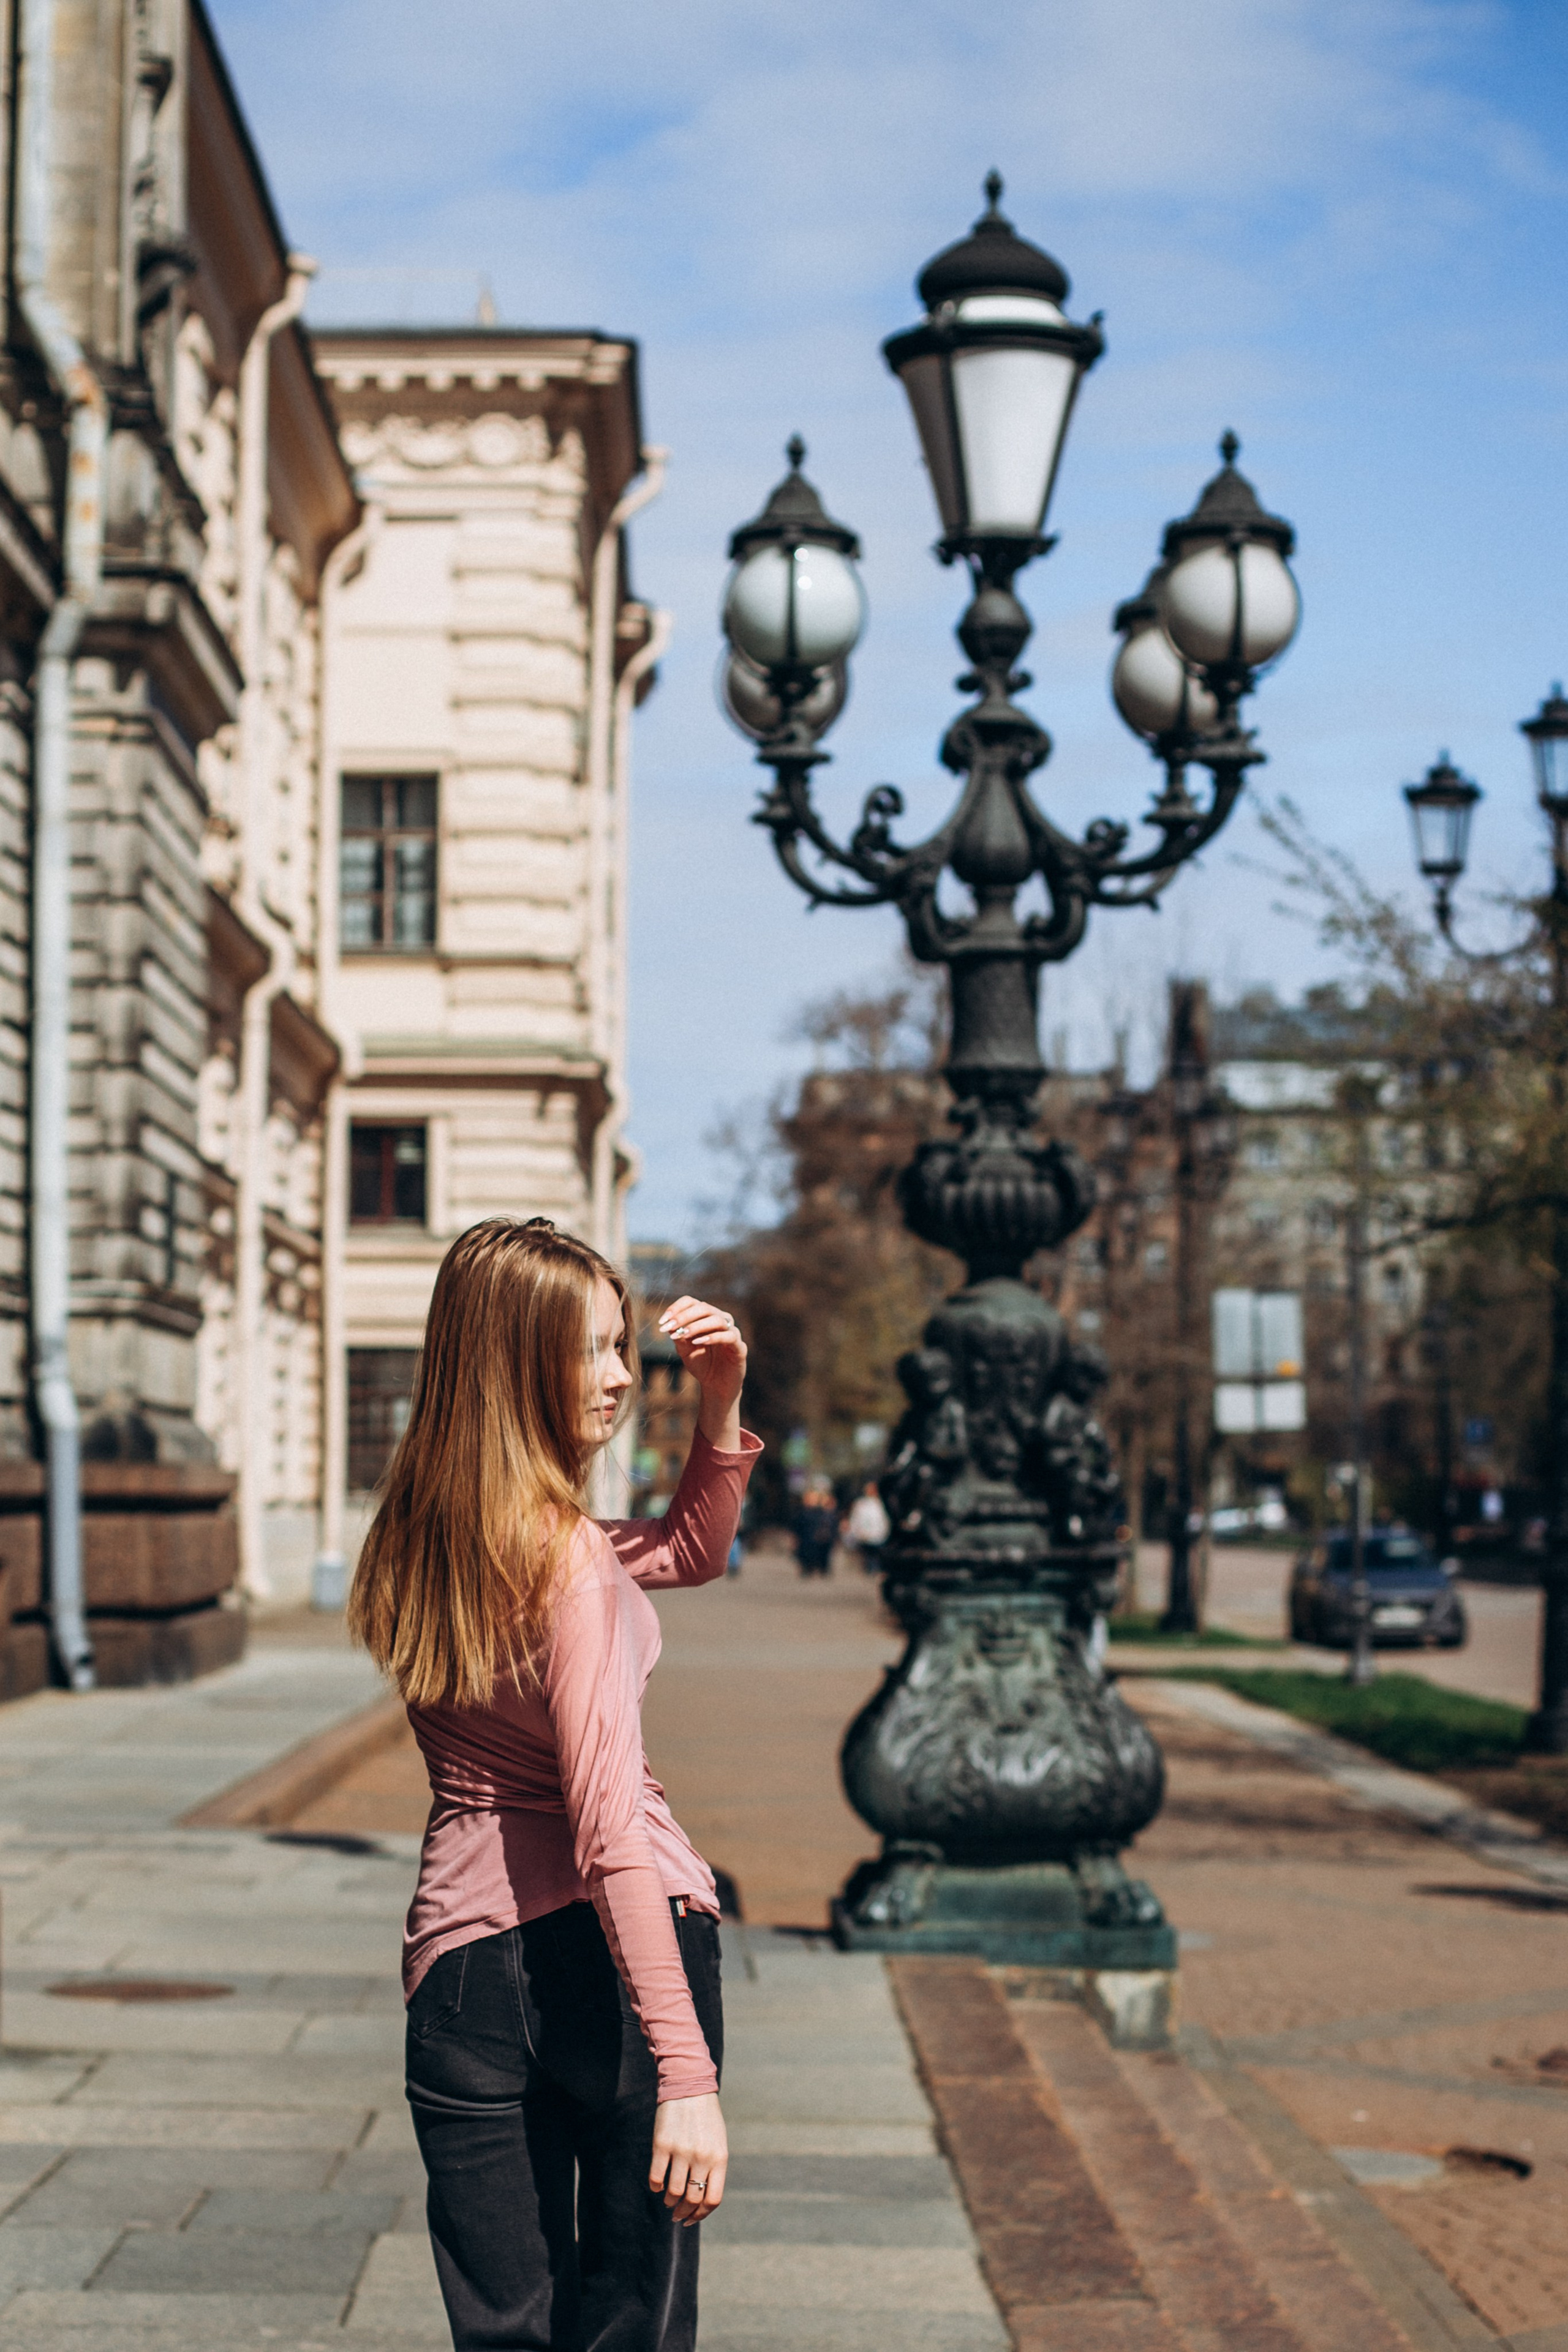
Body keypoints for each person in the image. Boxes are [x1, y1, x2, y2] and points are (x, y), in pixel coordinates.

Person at [349, 1216, 758, 2352]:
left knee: (502, 2333)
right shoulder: (567, 1557)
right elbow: (609, 1828)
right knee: (631, 2327)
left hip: (462, 1965)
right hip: (621, 1968)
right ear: (512, 1361)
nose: (622, 1377)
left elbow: (685, 1550)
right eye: (592, 1350)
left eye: (624, 1345)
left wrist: (719, 1404)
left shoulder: (423, 1537)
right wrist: (688, 2073)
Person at [844, 1480, 891, 1576]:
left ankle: (877, 1569)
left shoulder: (881, 1503)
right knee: (868, 1555)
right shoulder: (861, 1504)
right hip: (864, 1535)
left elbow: (885, 1519)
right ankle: (870, 1570)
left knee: (878, 1554)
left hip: (879, 1534)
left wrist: (885, 1531)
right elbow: (855, 1519)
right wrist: (857, 1531)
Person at [792, 1482, 838, 1576]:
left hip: (815, 1537)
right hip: (804, 1538)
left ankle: (818, 1568)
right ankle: (807, 1569)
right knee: (804, 1554)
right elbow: (797, 1525)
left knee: (817, 1554)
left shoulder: (820, 1512)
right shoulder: (802, 1512)